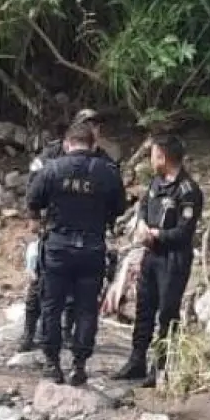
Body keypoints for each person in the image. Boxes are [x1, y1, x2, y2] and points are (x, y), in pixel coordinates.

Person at [25, 121, 127, 385]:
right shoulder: (108, 172)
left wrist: (39, 219)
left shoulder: (53, 168)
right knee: (86, 309)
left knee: (51, 306)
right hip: (91, 248)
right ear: (93, 145)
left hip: (58, 246)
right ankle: (79, 365)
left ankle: (52, 363)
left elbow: (33, 200)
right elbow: (119, 207)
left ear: (68, 144)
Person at [111, 134, 202, 387]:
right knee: (144, 310)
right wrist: (141, 224)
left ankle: (160, 366)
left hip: (173, 259)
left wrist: (156, 234)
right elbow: (143, 206)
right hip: (151, 256)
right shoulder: (156, 183)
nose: (150, 160)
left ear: (162, 156)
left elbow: (184, 231)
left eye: (152, 155)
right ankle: (136, 360)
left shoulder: (188, 191)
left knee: (167, 314)